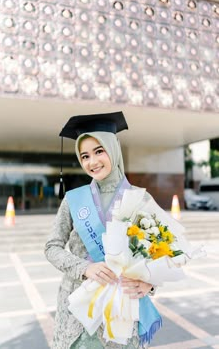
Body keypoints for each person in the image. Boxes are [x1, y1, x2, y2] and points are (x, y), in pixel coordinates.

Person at [45, 111, 160, 349]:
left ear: (113, 149)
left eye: (99, 151)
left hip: (123, 312)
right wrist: (84, 268)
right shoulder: (73, 199)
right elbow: (51, 247)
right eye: (84, 156)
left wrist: (150, 283)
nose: (92, 162)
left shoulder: (140, 198)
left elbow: (159, 252)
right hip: (78, 313)